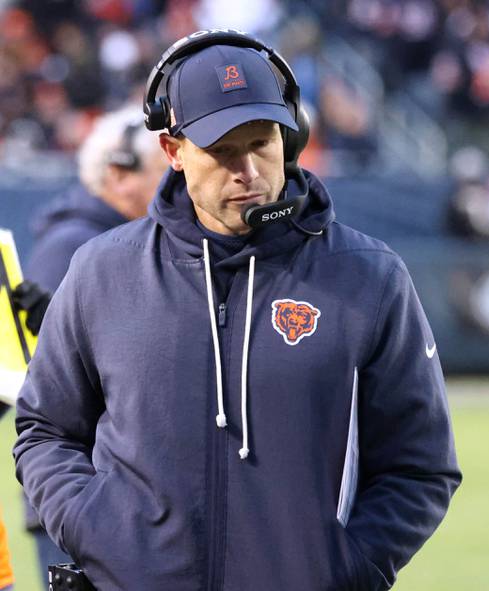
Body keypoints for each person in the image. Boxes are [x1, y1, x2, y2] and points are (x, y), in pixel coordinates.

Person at [13, 29, 460, 591]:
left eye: (261, 143)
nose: (247, 171)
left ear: (289, 139)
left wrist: (345, 568)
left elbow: (420, 466)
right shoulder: (100, 271)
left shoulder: (369, 275)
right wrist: (96, 531)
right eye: (222, 151)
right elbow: (45, 431)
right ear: (173, 152)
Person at [9, 104, 165, 589]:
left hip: (106, 496)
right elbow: (43, 379)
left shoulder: (121, 242)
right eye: (164, 169)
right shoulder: (78, 246)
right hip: (90, 497)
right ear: (119, 176)